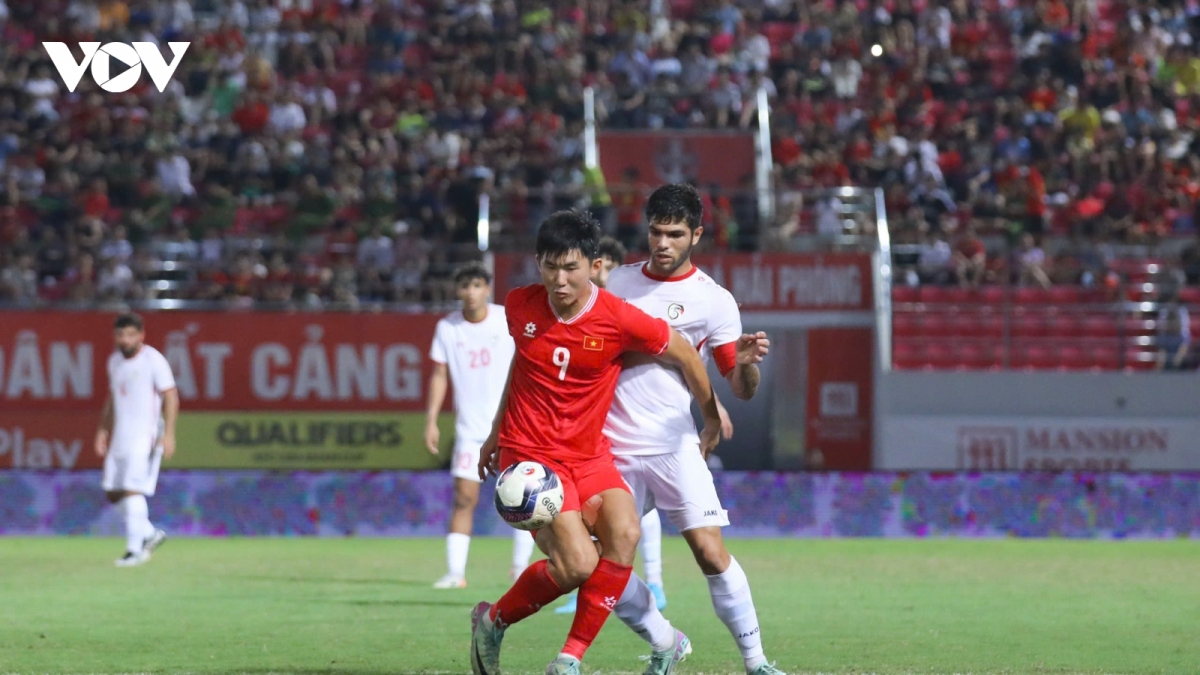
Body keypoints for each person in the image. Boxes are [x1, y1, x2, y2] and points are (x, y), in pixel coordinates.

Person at [469, 210, 722, 675]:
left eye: (570, 267)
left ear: (594, 265)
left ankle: (571, 657)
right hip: (531, 459)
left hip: (589, 456)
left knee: (625, 533)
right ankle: (492, 621)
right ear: (537, 263)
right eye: (549, 266)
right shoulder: (521, 305)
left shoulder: (618, 318)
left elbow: (685, 352)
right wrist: (494, 432)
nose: (559, 280)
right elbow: (523, 367)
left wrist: (710, 415)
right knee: (578, 564)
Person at [604, 184, 784, 675]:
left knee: (709, 550)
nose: (662, 243)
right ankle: (666, 639)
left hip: (673, 445)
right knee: (597, 566)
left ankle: (756, 661)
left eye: (675, 234)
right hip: (612, 448)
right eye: (656, 232)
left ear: (697, 235)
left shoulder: (714, 301)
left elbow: (741, 388)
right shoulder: (615, 284)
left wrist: (746, 365)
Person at [557, 236, 670, 615]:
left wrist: (713, 403)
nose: (601, 273)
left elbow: (670, 358)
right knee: (605, 515)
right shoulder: (573, 311)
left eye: (606, 267)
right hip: (591, 430)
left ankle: (653, 579)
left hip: (628, 425)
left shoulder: (624, 312)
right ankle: (593, 579)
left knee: (633, 513)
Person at [425, 263, 534, 589]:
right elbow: (440, 374)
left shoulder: (505, 319)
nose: (470, 292)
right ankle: (455, 573)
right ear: (457, 291)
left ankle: (519, 569)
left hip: (511, 426)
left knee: (523, 499)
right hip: (470, 432)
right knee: (464, 498)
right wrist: (431, 420)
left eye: (476, 285)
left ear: (487, 288)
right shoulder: (448, 327)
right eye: (464, 286)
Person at [94, 313, 178, 567]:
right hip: (121, 434)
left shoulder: (153, 360)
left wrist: (169, 433)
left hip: (145, 434)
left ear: (142, 335)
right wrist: (102, 429)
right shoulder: (114, 362)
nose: (126, 339)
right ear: (115, 336)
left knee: (132, 488)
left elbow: (171, 395)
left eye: (131, 334)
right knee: (112, 492)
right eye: (121, 335)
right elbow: (112, 399)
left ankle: (134, 550)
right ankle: (150, 534)